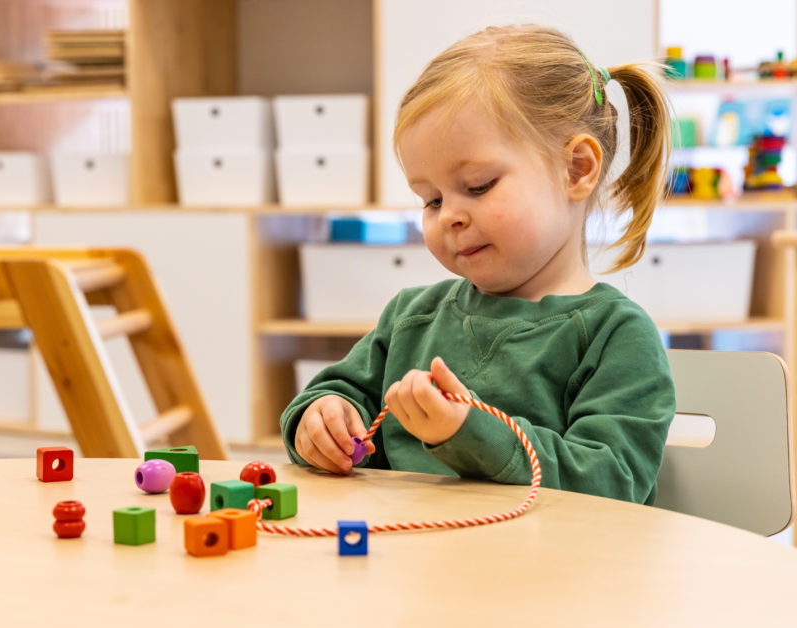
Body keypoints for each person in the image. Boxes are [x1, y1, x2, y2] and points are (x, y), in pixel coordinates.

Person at [279, 25, 676, 504]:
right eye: (430, 199)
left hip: (560, 574)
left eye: (479, 185)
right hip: (413, 568)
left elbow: (612, 484)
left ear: (577, 169)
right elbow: (339, 393)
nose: (449, 216)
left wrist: (470, 433)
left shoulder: (617, 336)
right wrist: (321, 417)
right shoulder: (411, 319)